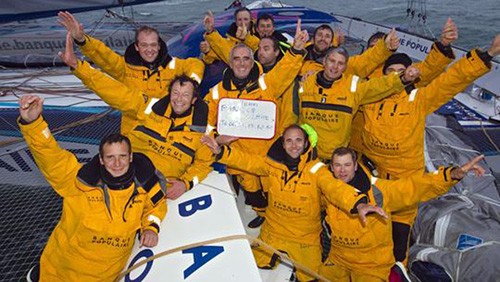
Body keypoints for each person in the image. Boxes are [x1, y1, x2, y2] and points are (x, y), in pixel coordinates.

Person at [356, 33, 500, 265]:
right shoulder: (368, 98)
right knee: (368, 242)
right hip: (375, 182)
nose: (396, 75)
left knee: (398, 245)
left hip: (408, 187)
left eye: (401, 71)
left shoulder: (419, 100)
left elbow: (451, 80)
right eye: (390, 71)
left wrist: (488, 53)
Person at [201, 125, 386, 281]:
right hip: (274, 231)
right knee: (252, 270)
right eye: (288, 140)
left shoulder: (317, 170)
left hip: (305, 238)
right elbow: (247, 161)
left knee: (312, 277)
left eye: (298, 140)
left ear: (306, 143)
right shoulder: (272, 164)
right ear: (282, 144)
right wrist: (220, 151)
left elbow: (335, 188)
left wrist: (358, 203)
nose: (294, 145)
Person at [19, 95, 167, 281]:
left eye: (122, 156)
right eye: (110, 157)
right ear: (101, 160)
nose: (117, 163)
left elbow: (156, 206)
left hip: (105, 276)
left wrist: (151, 227)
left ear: (130, 157)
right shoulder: (78, 183)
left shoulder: (145, 183)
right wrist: (33, 123)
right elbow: (50, 155)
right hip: (59, 272)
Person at [58, 32, 213, 200]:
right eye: (175, 93)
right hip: (122, 175)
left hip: (157, 190)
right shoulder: (149, 107)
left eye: (185, 95)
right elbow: (113, 91)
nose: (179, 99)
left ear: (194, 100)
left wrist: (186, 183)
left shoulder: (204, 129)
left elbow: (204, 164)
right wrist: (77, 66)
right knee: (77, 184)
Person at [319, 147, 485, 281]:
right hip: (338, 259)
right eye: (338, 166)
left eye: (347, 165)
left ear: (355, 166)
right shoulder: (327, 191)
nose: (342, 171)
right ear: (331, 168)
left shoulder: (380, 191)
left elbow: (414, 186)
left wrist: (451, 175)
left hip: (371, 265)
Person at [203, 19, 309, 228]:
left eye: (246, 59)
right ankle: (261, 213)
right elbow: (205, 125)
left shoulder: (267, 84)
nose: (241, 63)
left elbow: (286, 70)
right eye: (236, 59)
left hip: (269, 154)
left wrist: (296, 50)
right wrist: (216, 137)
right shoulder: (217, 93)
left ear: (252, 62)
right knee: (251, 191)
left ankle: (277, 219)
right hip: (241, 157)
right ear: (230, 62)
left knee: (274, 190)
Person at [58, 11, 205, 134]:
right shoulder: (125, 68)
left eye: (153, 45)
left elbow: (196, 64)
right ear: (136, 47)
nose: (149, 50)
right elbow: (103, 56)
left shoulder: (174, 65)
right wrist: (82, 40)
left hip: (165, 134)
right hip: (134, 136)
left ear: (159, 46)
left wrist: (192, 84)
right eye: (144, 45)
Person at [297, 46, 421, 162]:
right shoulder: (306, 83)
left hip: (334, 159)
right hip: (305, 155)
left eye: (340, 63)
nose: (335, 67)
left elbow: (378, 86)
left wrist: (403, 78)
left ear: (345, 67)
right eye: (332, 61)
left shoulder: (353, 87)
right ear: (324, 61)